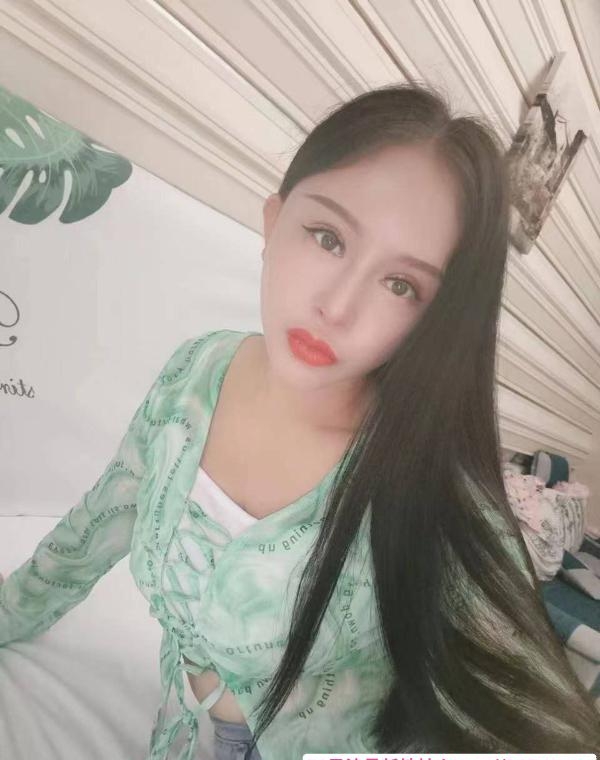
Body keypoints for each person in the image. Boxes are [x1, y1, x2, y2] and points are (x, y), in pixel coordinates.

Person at [1, 82, 599, 760]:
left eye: (401, 285)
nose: (337, 307)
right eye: (328, 237)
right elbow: (98, 521)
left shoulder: (429, 493)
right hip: (173, 729)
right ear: (273, 222)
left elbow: (534, 720)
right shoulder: (196, 373)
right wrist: (10, 612)